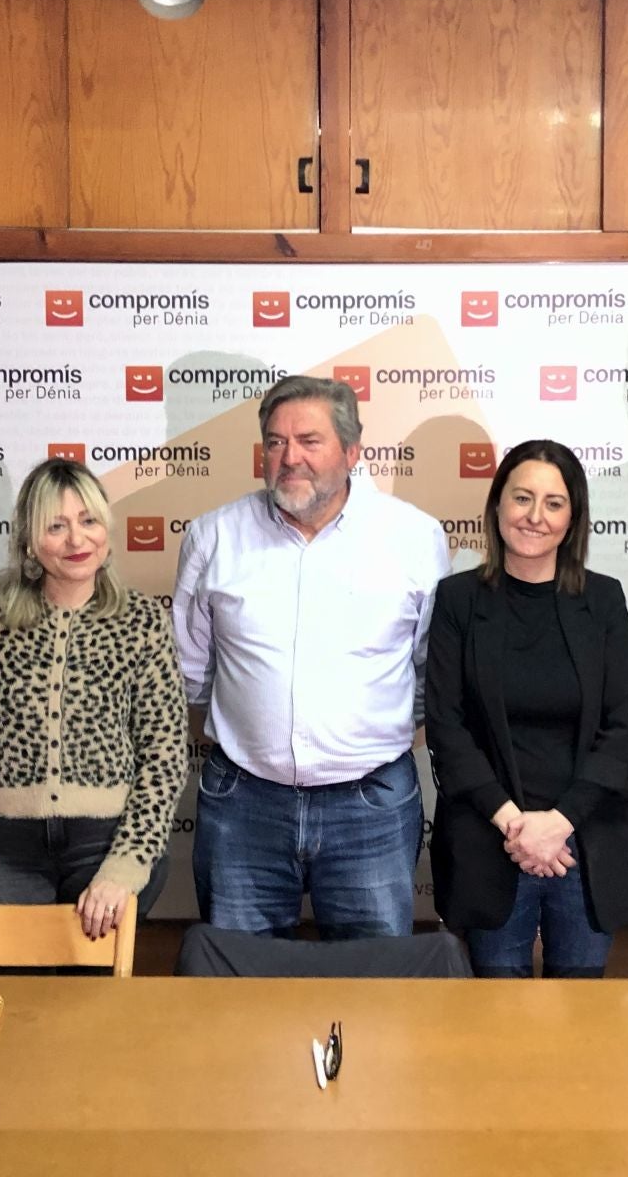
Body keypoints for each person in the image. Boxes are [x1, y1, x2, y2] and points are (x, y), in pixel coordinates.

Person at [173, 374, 449, 939]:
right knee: (239, 986)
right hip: (243, 802)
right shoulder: (213, 537)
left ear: (352, 451)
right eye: (274, 442)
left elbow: (429, 671)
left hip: (370, 805)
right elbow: (190, 673)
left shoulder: (414, 537)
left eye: (308, 441)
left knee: (373, 995)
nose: (288, 457)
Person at [0, 458, 187, 942]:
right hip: (0, 849)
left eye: (88, 521)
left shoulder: (141, 621)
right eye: (56, 526)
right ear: (29, 540)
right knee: (16, 995)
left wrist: (126, 867)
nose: (77, 541)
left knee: (89, 1003)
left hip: (106, 843)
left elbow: (164, 756)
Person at [425, 439, 628, 977]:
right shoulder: (457, 600)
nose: (535, 516)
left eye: (553, 503)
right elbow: (448, 729)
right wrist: (517, 826)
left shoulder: (604, 600)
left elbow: (622, 731)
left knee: (581, 1019)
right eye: (522, 498)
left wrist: (559, 824)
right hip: (490, 837)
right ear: (497, 506)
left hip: (583, 842)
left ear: (573, 519)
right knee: (496, 1022)